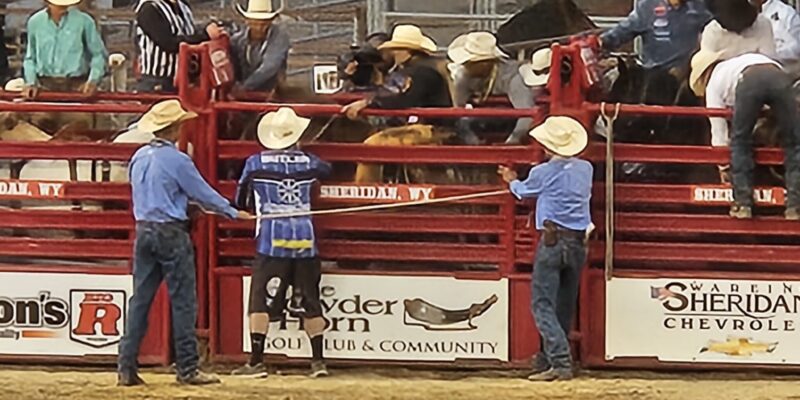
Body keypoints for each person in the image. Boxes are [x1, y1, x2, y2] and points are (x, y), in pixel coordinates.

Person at [117, 100, 251, 386]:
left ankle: (126, 366)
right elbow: (201, 192)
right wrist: (231, 211)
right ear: (175, 128)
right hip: (171, 232)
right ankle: (187, 368)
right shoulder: (178, 160)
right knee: (183, 301)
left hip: (144, 229)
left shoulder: (139, 156)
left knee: (140, 299)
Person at [232, 107, 332, 378]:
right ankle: (318, 362)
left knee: (260, 299)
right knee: (311, 299)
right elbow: (327, 170)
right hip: (305, 238)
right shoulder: (310, 162)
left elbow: (241, 199)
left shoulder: (255, 163)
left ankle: (256, 361)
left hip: (270, 240)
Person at [498, 116, 592, 382]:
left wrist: (511, 179)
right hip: (577, 242)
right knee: (563, 303)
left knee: (542, 303)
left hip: (552, 241)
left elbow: (523, 191)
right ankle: (550, 359)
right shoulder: (586, 169)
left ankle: (559, 361)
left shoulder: (542, 172)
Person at [691, 50, 800, 220]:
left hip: (750, 81)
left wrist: (723, 167)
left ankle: (743, 203)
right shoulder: (738, 63)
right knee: (794, 143)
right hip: (779, 76)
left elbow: (718, 130)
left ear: (703, 75)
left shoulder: (713, 84)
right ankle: (795, 206)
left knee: (740, 141)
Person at [342, 24, 452, 119]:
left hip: (434, 129)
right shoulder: (417, 69)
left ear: (407, 51)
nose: (393, 53)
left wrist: (369, 102)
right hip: (425, 125)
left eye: (396, 49)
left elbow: (405, 99)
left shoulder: (423, 72)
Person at [447, 31, 538, 145]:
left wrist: (512, 141)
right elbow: (458, 109)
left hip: (510, 123)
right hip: (483, 120)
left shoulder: (512, 77)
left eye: (470, 63)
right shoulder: (465, 76)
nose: (465, 66)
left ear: (486, 63)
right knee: (461, 123)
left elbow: (526, 114)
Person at [22, 0, 107, 99]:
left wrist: (93, 81)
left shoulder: (85, 21)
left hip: (77, 86)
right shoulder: (35, 22)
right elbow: (30, 57)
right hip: (44, 86)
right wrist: (31, 82)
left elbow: (98, 54)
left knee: (81, 114)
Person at [599, 0, 711, 75]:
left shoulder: (700, 7)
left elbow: (716, 28)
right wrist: (601, 42)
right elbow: (624, 30)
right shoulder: (647, 6)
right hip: (653, 76)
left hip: (687, 77)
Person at [134, 0, 223, 93]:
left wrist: (209, 30)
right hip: (158, 80)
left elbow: (188, 33)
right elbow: (168, 42)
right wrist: (205, 35)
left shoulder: (183, 6)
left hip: (185, 78)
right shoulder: (149, 9)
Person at [229, 0, 290, 95]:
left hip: (274, 93)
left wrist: (244, 87)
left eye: (264, 24)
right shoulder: (237, 41)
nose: (259, 28)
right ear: (247, 21)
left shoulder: (280, 37)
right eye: (255, 24)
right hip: (244, 92)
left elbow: (270, 66)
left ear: (270, 22)